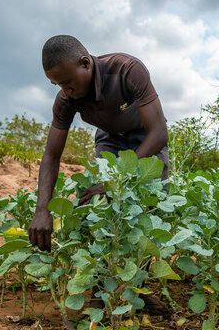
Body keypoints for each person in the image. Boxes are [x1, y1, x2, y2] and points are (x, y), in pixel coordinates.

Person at [28, 35, 170, 314]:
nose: (65, 90)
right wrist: (42, 209)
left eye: (68, 82)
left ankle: (138, 289)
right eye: (58, 85)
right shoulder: (66, 99)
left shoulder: (127, 70)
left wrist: (113, 182)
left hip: (146, 137)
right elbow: (51, 155)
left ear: (85, 63)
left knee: (151, 209)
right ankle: (99, 291)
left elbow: (159, 133)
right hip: (109, 140)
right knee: (98, 207)